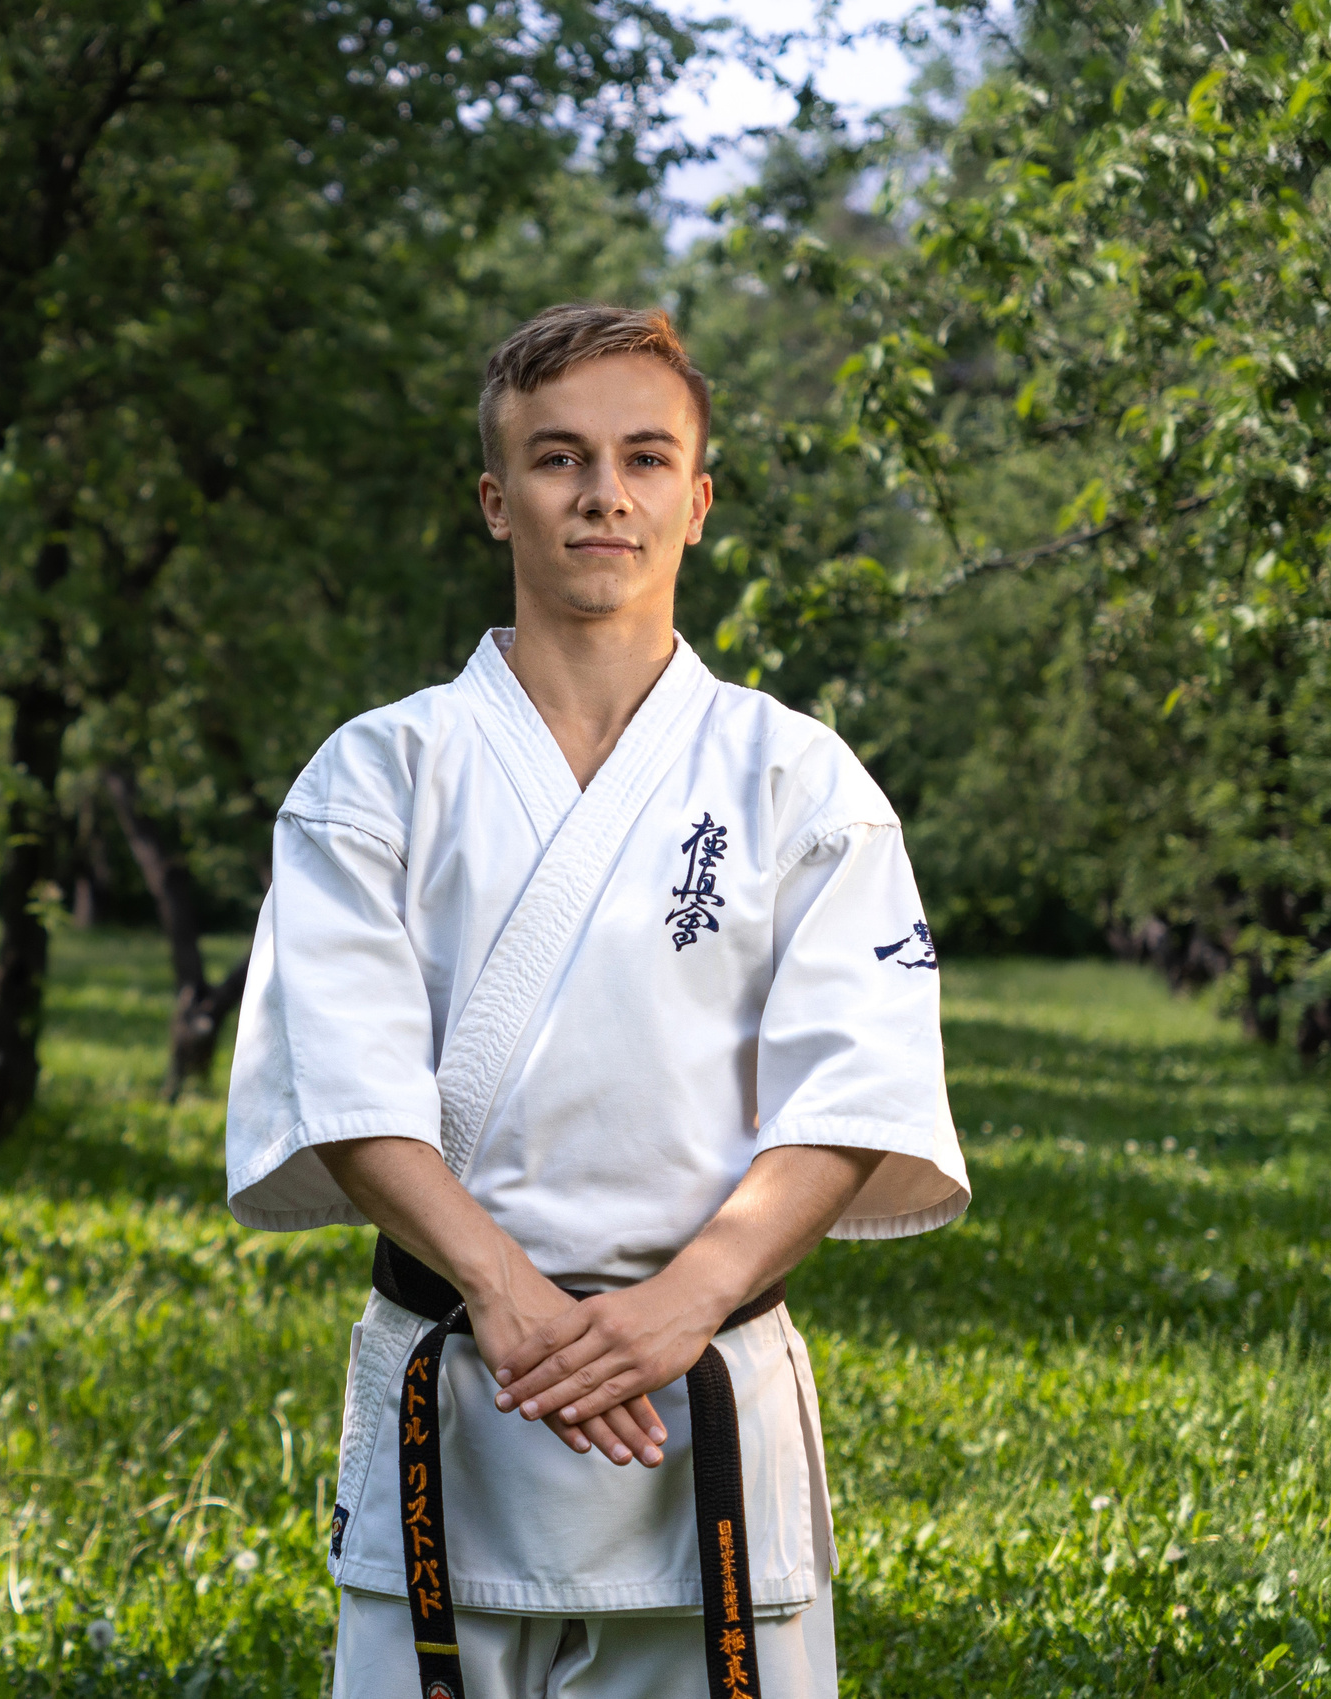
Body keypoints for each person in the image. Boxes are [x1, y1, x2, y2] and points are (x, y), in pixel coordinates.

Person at [223, 304, 970, 1699]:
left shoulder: (798, 779)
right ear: (498, 501)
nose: (603, 494)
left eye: (642, 457)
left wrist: (683, 1301)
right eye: (560, 459)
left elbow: (852, 1091)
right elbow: (342, 1084)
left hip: (708, 1388)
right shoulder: (374, 774)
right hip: (458, 1375)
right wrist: (504, 1295)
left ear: (697, 496)